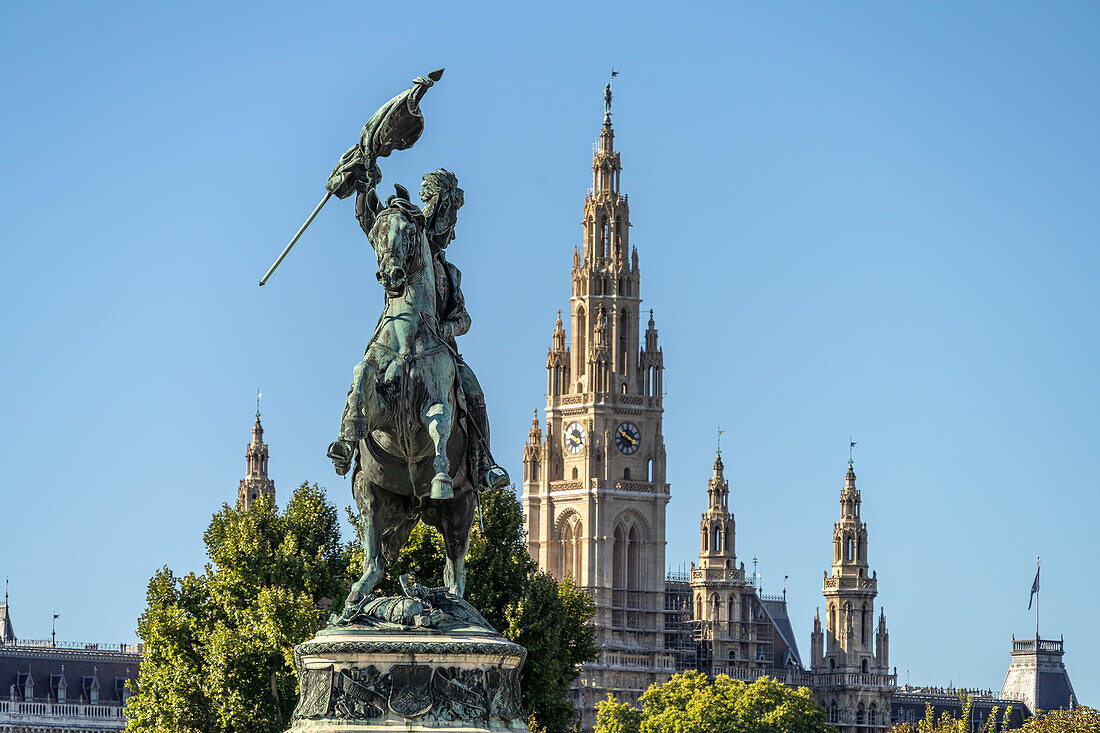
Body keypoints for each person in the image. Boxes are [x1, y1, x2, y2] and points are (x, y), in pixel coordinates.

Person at [419, 169, 508, 492]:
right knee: (366, 373)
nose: (452, 236)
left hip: (441, 352)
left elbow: (464, 318)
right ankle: (348, 438)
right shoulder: (408, 251)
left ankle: (483, 462)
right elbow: (374, 223)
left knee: (472, 390)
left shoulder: (450, 272)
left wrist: (446, 327)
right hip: (399, 343)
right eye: (450, 226)